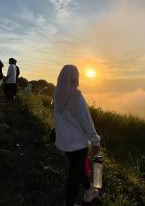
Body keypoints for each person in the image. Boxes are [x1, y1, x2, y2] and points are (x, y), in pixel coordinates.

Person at [54, 65, 100, 206]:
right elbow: (86, 120)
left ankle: (88, 191)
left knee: (77, 168)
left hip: (65, 142)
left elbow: (57, 118)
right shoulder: (76, 96)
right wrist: (95, 140)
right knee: (74, 176)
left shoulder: (57, 93)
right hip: (78, 144)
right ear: (75, 78)